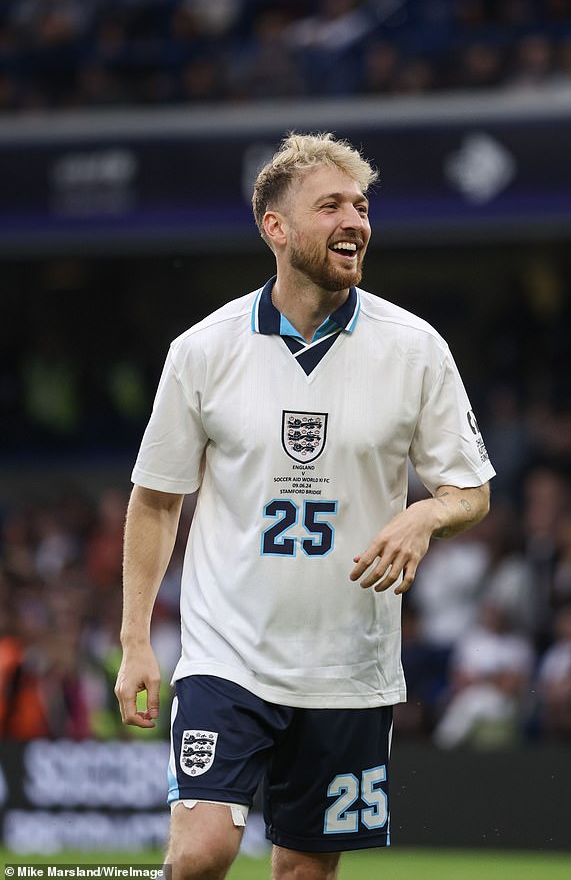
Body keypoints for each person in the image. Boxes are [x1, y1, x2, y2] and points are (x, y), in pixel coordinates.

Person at [114, 132, 495, 880]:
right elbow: (156, 499)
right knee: (199, 856)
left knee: (301, 871)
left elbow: (471, 490)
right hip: (229, 655)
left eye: (361, 206)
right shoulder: (203, 349)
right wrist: (134, 639)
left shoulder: (415, 348)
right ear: (276, 228)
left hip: (350, 667)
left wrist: (424, 515)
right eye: (331, 206)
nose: (355, 221)